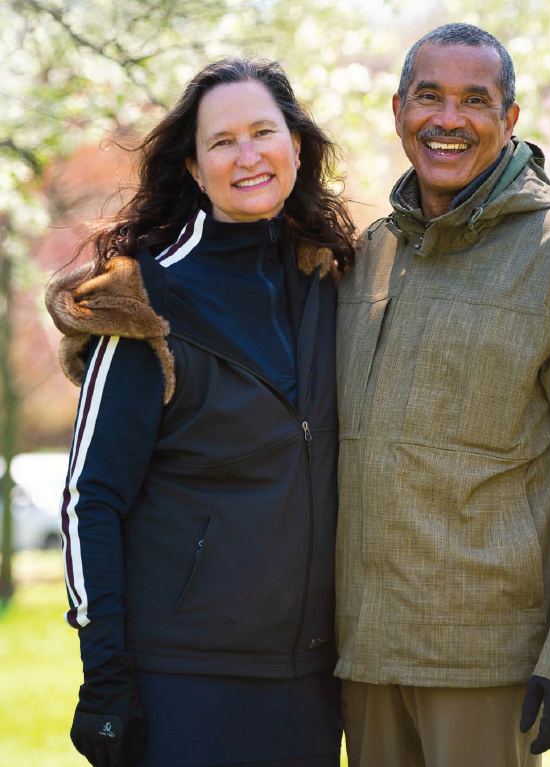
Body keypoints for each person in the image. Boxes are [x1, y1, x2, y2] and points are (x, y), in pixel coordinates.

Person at [334, 23, 550, 767]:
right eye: (429, 97)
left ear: (509, 119)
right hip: (362, 658)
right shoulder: (366, 255)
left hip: (488, 667)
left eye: (474, 100)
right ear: (397, 110)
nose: (448, 120)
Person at [46, 57, 354, 767]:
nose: (247, 156)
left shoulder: (332, 286)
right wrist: (107, 679)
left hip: (309, 681)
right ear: (192, 165)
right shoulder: (142, 305)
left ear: (297, 147)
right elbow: (89, 499)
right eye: (222, 142)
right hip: (184, 677)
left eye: (263, 132)